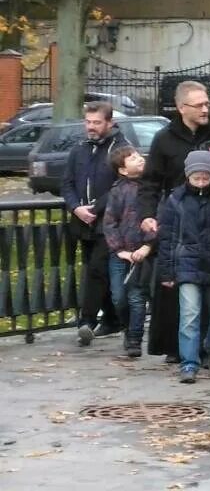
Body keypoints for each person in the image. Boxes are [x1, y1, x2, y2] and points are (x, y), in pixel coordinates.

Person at [138, 80, 210, 362]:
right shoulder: (164, 139)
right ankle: (176, 348)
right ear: (181, 107)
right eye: (199, 105)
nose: (205, 109)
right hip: (178, 224)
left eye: (207, 103)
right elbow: (150, 182)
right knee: (175, 288)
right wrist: (147, 214)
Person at [155, 151, 210, 383]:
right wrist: (167, 271)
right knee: (189, 315)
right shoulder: (176, 200)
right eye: (197, 178)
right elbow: (167, 239)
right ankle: (189, 363)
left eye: (206, 177)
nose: (202, 182)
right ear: (188, 176)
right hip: (187, 265)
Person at [63, 101, 127, 346]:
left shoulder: (119, 148)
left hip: (109, 223)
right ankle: (112, 319)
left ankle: (86, 322)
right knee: (95, 269)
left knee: (96, 270)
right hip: (82, 222)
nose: (91, 127)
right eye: (88, 122)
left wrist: (95, 209)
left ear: (109, 123)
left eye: (97, 123)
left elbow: (119, 185)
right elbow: (67, 183)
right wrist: (76, 208)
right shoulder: (79, 149)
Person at [101, 146, 154, 357]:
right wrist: (119, 249)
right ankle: (126, 327)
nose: (139, 159)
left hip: (142, 252)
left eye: (138, 155)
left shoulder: (151, 188)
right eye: (132, 158)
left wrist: (148, 245)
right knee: (119, 297)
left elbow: (157, 218)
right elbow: (109, 222)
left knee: (137, 297)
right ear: (122, 169)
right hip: (121, 254)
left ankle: (135, 338)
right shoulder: (117, 191)